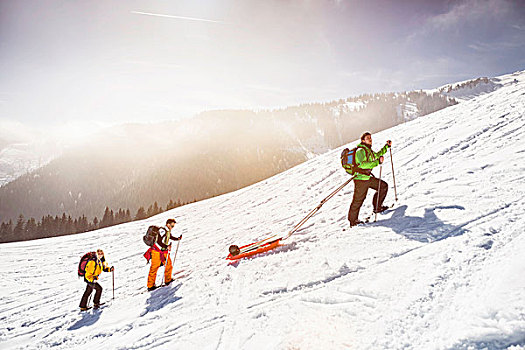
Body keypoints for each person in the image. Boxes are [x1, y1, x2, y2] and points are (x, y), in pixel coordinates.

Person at [347, 132, 392, 227]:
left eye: (370, 138)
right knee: (358, 200)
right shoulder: (360, 151)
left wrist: (386, 147)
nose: (370, 140)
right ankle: (353, 221)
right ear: (363, 140)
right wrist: (376, 162)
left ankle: (377, 207)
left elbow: (377, 155)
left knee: (383, 186)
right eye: (368, 138)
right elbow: (361, 164)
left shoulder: (368, 150)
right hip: (360, 179)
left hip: (367, 178)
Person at [144, 218, 182, 291]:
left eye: (173, 226)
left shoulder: (167, 231)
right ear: (168, 224)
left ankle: (168, 280)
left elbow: (170, 237)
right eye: (172, 225)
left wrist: (177, 239)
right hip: (156, 251)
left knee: (168, 265)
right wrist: (166, 246)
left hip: (163, 251)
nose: (172, 227)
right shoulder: (162, 230)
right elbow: (158, 241)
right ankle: (150, 285)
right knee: (154, 267)